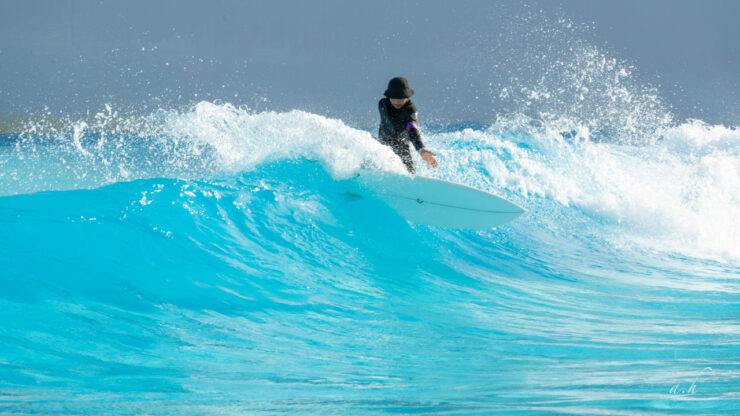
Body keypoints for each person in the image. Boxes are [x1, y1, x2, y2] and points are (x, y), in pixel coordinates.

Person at [377, 77, 438, 173]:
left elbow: (412, 129)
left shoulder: (410, 110)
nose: (397, 101)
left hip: (401, 146)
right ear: (389, 96)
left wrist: (421, 149)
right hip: (381, 144)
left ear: (407, 96)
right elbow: (388, 123)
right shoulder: (383, 104)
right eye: (394, 97)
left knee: (411, 174)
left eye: (401, 97)